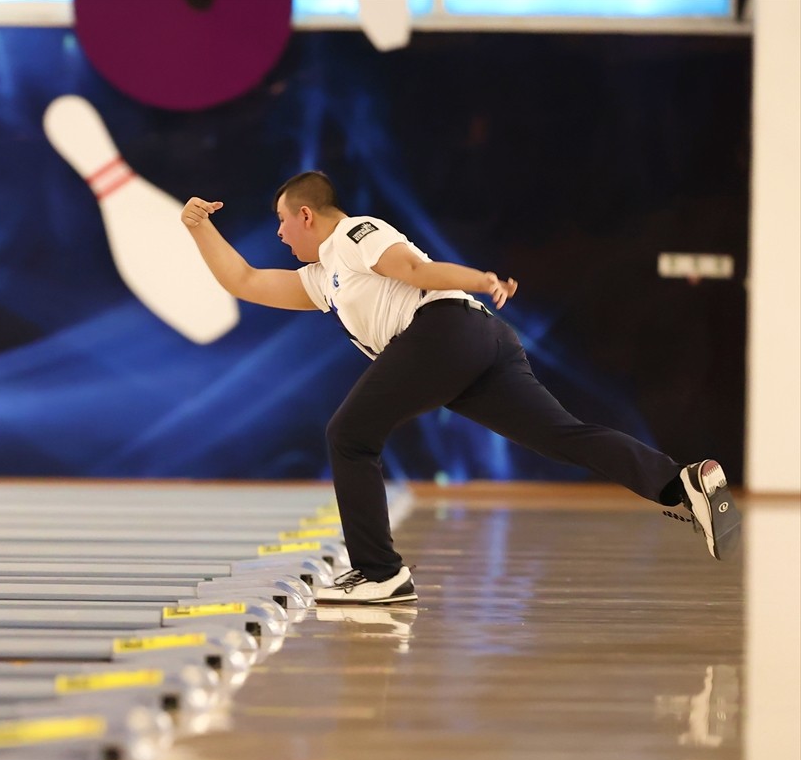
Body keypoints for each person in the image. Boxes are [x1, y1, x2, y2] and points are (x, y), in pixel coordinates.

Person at [180, 170, 741, 604]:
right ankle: (679, 484)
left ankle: (380, 574)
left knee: (349, 436)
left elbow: (415, 271)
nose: (277, 233)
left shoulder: (355, 234)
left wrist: (480, 278)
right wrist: (199, 227)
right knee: (563, 435)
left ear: (307, 215)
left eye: (281, 221)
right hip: (474, 345)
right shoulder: (323, 277)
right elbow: (244, 281)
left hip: (446, 331)